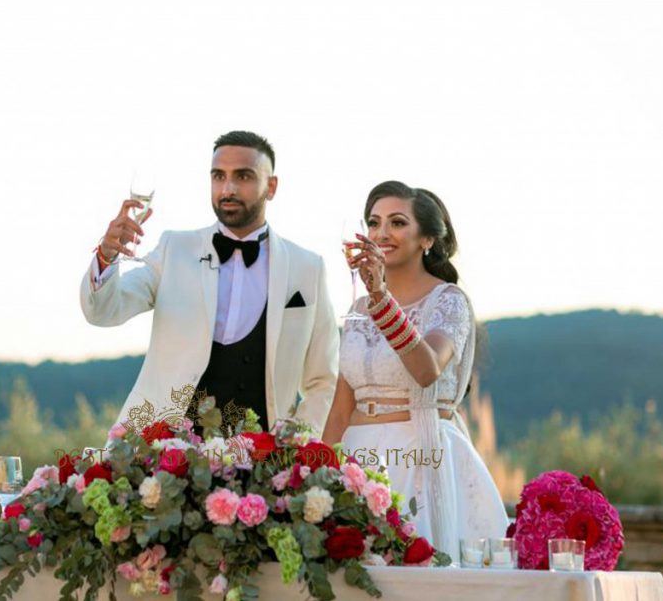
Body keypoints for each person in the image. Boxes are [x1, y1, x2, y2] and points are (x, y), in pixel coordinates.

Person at [80, 130, 338, 435]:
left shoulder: (308, 267)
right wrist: (107, 255)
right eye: (218, 176)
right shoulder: (173, 248)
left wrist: (295, 440)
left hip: (262, 460)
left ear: (271, 187)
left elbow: (323, 379)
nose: (227, 188)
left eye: (243, 176)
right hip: (165, 453)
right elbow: (104, 311)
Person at [321, 181, 508, 562]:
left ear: (427, 239)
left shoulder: (449, 301)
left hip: (418, 460)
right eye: (374, 223)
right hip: (357, 464)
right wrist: (313, 477)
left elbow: (426, 369)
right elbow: (341, 409)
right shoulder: (358, 307)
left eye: (397, 222)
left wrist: (381, 299)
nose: (382, 233)